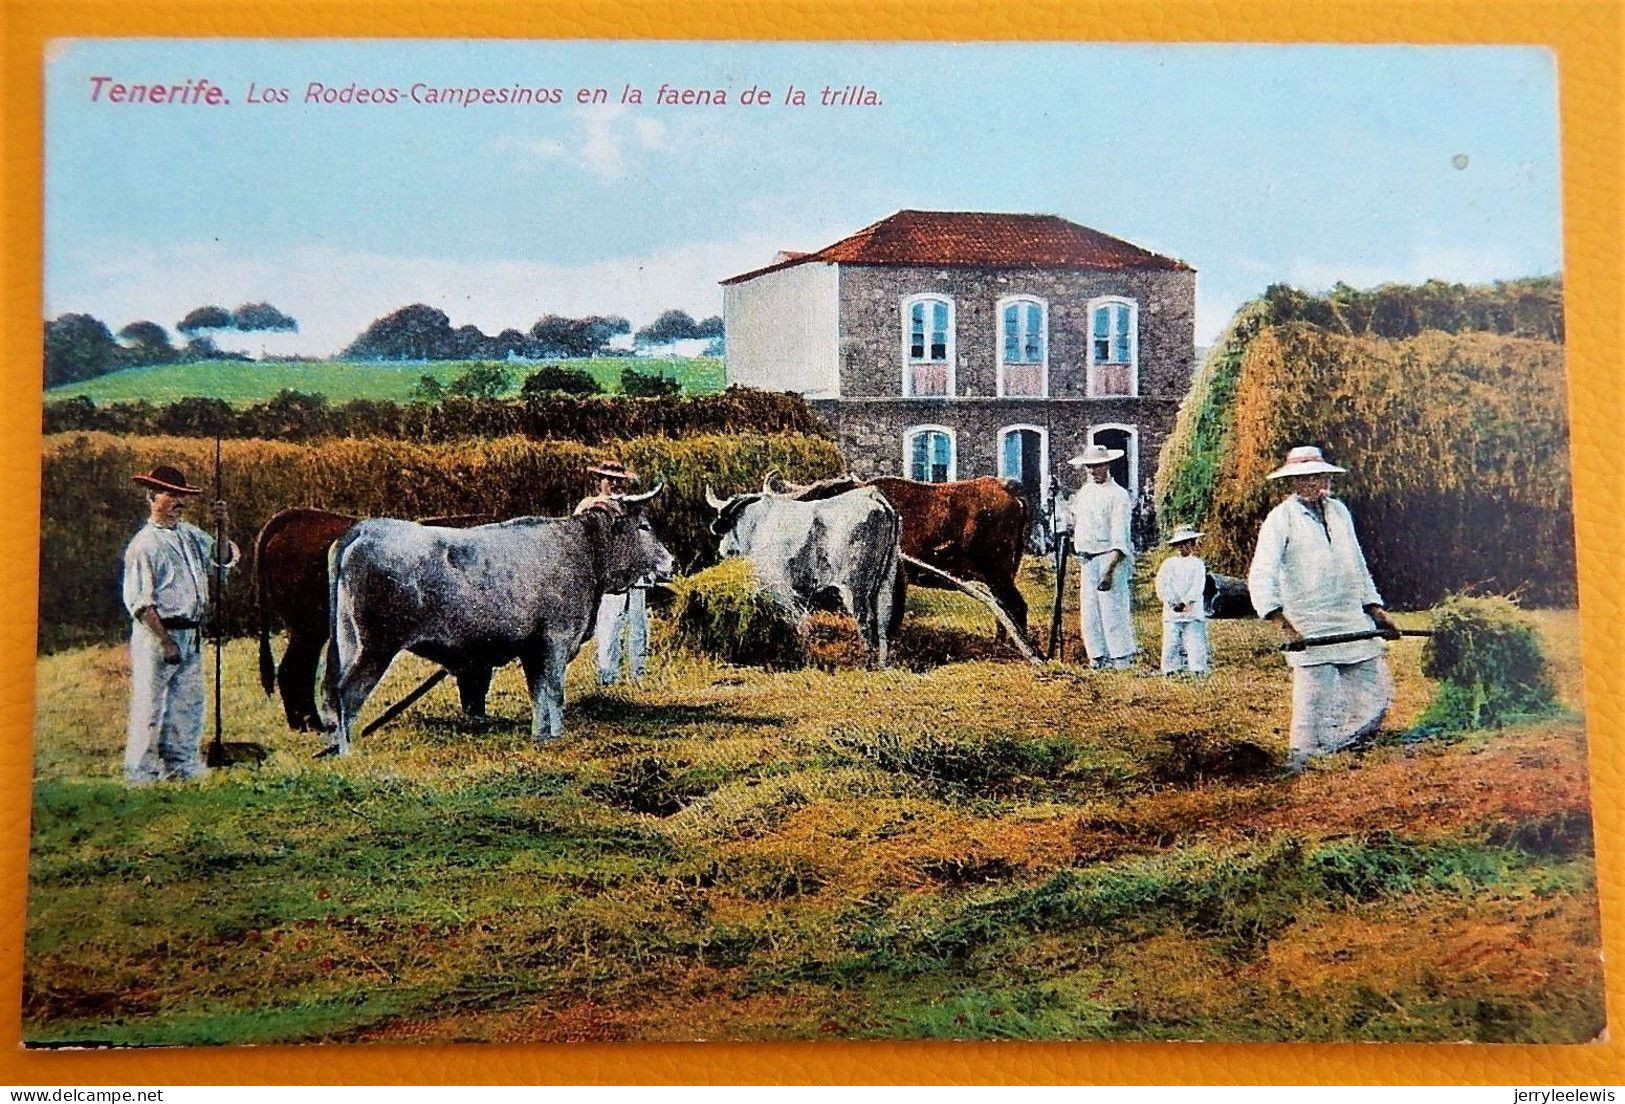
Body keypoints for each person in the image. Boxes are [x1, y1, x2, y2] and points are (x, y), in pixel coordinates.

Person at [1247, 445, 1400, 774]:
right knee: (1311, 705)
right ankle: (1300, 760)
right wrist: (1284, 625)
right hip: (1309, 623)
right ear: (1294, 483)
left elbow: (1357, 564)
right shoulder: (1280, 520)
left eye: (1321, 474)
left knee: (1376, 696)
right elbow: (1261, 575)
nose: (1317, 481)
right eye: (1308, 476)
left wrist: (1376, 610)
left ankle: (1339, 747)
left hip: (1350, 617)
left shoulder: (1339, 511)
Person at [122, 464, 239, 785]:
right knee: (150, 705)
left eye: (182, 496)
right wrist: (165, 641)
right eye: (171, 495)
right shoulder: (143, 545)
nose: (179, 503)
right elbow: (140, 602)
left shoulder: (189, 535)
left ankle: (181, 766)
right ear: (151, 497)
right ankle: (141, 775)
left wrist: (222, 527)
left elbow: (220, 558)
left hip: (191, 632)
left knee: (187, 704)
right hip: (157, 634)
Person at [576, 460, 649, 685]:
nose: (614, 484)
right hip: (607, 577)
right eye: (609, 479)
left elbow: (645, 536)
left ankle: (639, 677)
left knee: (638, 627)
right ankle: (607, 678)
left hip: (634, 576)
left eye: (618, 480)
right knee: (609, 626)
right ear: (600, 482)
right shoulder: (589, 506)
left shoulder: (632, 506)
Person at [1067, 443, 1138, 670]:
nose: (1093, 471)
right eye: (1089, 467)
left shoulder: (1119, 496)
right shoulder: (1085, 493)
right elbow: (1073, 519)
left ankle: (1121, 659)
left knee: (1113, 609)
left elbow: (1120, 537)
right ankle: (1097, 657)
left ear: (1107, 465)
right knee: (1090, 612)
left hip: (1109, 558)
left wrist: (1109, 569)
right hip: (1087, 559)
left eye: (1097, 466)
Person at [1155, 526, 1210, 676]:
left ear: (1192, 544)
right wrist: (1172, 601)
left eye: (1186, 543)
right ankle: (1170, 669)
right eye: (1179, 544)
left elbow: (1197, 586)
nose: (1182, 547)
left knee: (1195, 640)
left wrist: (1186, 602)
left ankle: (1198, 669)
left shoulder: (1197, 564)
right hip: (1172, 612)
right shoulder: (1168, 564)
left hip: (1192, 610)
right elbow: (1162, 585)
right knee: (1171, 642)